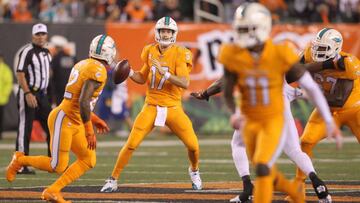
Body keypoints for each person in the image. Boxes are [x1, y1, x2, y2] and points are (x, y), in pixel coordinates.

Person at [218, 3, 341, 202]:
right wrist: (234, 112)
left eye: (247, 29)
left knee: (263, 167)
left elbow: (309, 87)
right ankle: (295, 193)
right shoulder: (231, 54)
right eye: (240, 28)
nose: (241, 34)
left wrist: (328, 120)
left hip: (274, 119)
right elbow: (226, 90)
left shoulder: (280, 54)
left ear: (263, 28)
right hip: (249, 119)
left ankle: (254, 191)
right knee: (262, 165)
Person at [6, 34, 114, 202]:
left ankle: (53, 190)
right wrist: (89, 131)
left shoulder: (83, 63)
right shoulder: (97, 70)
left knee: (88, 159)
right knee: (57, 165)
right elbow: (83, 101)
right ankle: (19, 159)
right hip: (64, 119)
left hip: (74, 119)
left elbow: (79, 102)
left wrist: (95, 119)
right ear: (109, 53)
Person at [100, 16, 202, 192]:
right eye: (163, 30)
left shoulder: (181, 53)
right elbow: (142, 77)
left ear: (174, 34)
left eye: (168, 31)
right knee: (131, 143)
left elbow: (185, 83)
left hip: (173, 107)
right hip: (151, 105)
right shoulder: (149, 51)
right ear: (157, 32)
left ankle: (194, 171)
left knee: (193, 146)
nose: (165, 34)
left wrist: (166, 74)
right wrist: (129, 72)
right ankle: (112, 179)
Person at [191, 79, 334, 202]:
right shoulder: (278, 61)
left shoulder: (243, 60)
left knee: (239, 145)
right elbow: (300, 84)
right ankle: (316, 181)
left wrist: (205, 93)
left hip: (254, 110)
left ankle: (248, 187)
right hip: (280, 109)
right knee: (294, 151)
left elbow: (224, 82)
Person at [294, 28, 360, 198]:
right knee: (306, 141)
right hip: (327, 110)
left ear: (335, 48)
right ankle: (298, 186)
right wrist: (324, 65)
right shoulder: (308, 54)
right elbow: (293, 73)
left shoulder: (349, 63)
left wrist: (309, 94)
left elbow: (339, 99)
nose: (317, 51)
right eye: (317, 47)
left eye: (323, 49)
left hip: (354, 108)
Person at [14, 23, 52, 174]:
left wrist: (51, 98)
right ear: (33, 36)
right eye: (38, 34)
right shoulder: (27, 51)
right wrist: (28, 93)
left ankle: (53, 161)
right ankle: (20, 164)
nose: (41, 37)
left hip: (42, 95)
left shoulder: (47, 53)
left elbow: (48, 76)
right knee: (25, 129)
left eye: (43, 34)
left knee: (52, 127)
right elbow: (20, 73)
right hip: (29, 94)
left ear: (46, 35)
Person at [50, 35, 77, 106]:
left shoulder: (56, 58)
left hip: (58, 90)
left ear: (56, 47)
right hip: (71, 90)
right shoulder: (72, 58)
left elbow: (51, 73)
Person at [0, 52, 13, 140]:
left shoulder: (6, 70)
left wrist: (4, 94)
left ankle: (0, 134)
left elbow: (9, 84)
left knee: (0, 117)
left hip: (1, 99)